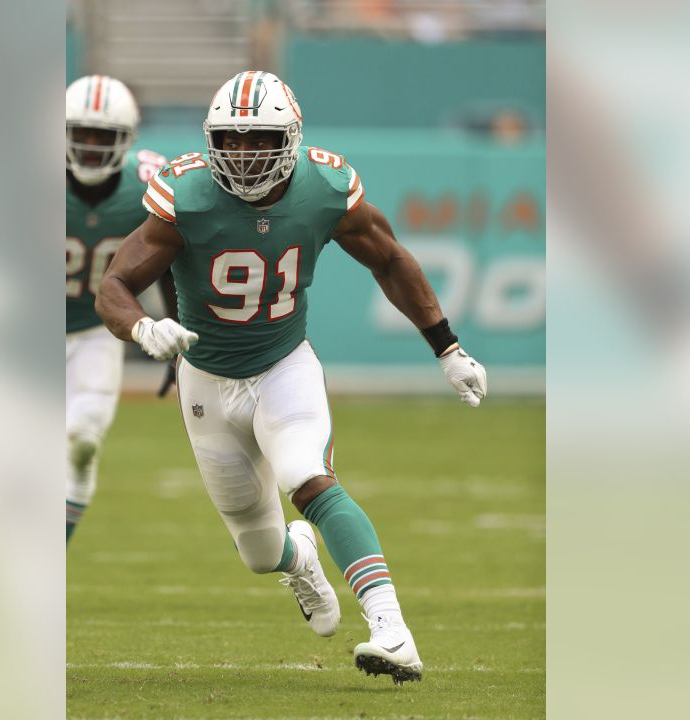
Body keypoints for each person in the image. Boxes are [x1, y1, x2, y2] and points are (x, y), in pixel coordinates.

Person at [95, 70, 488, 684]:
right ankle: (298, 557)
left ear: (293, 138)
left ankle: (392, 629)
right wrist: (144, 330)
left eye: (260, 140)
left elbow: (389, 258)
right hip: (206, 381)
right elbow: (115, 285)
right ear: (212, 140)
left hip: (283, 364)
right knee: (258, 551)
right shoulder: (187, 194)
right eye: (232, 140)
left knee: (306, 474)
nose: (245, 156)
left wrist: (447, 347)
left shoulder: (326, 186)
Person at [65, 74, 172, 544]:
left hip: (94, 330)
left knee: (84, 436)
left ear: (126, 141)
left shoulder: (146, 184)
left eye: (103, 136)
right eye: (81, 134)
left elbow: (169, 259)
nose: (90, 147)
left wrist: (175, 332)